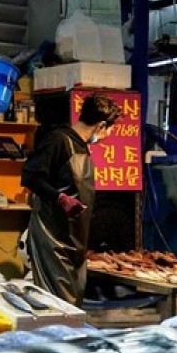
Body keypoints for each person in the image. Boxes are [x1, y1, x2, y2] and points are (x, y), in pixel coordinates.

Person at [21, 94, 121, 306]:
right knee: (57, 303)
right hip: (52, 236)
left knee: (72, 301)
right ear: (101, 125)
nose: (109, 134)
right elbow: (30, 176)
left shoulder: (82, 145)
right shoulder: (58, 140)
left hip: (73, 237)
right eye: (111, 129)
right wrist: (60, 198)